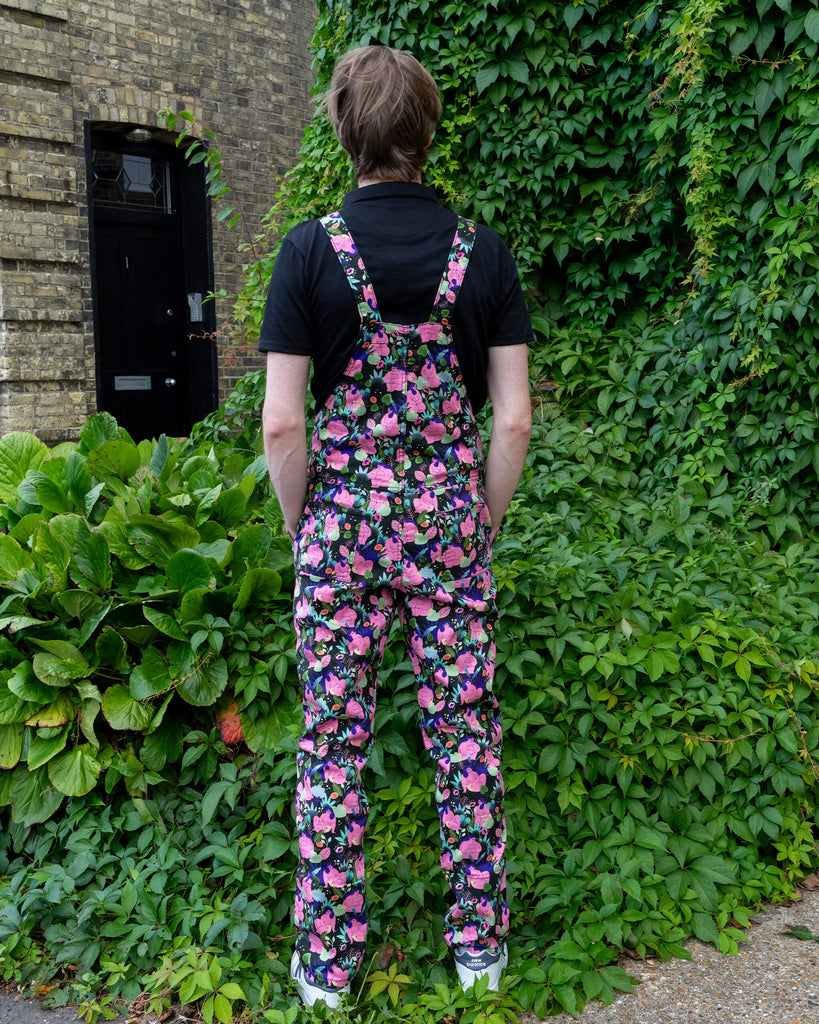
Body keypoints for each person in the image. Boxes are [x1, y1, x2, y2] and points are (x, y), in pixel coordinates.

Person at [260, 44, 532, 1009]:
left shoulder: (308, 250)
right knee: (464, 735)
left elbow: (282, 424)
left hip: (340, 531)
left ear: (345, 127)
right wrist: (475, 521)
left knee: (333, 743)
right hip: (449, 528)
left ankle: (328, 972)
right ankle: (480, 957)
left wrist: (303, 526)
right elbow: (512, 420)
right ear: (426, 129)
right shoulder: (482, 253)